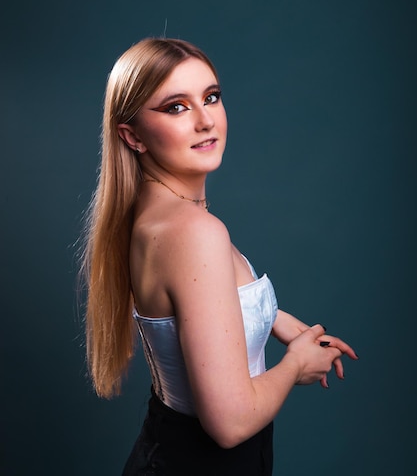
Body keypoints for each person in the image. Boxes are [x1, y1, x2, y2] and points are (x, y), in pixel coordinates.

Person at [80, 37, 358, 476]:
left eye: (210, 97)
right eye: (176, 107)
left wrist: (270, 316)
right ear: (132, 136)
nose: (206, 120)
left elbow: (193, 309)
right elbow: (230, 423)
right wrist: (296, 365)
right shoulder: (194, 231)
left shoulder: (158, 215)